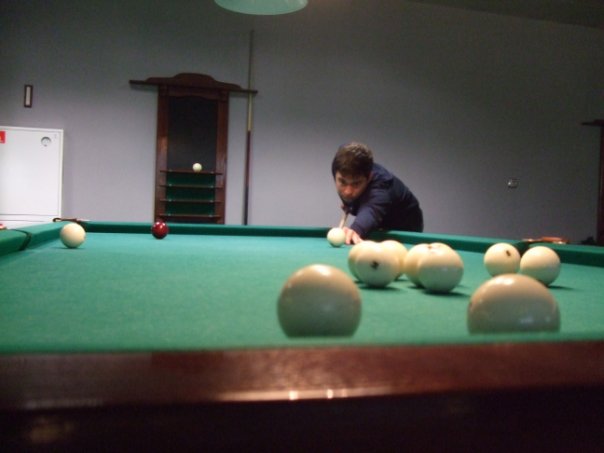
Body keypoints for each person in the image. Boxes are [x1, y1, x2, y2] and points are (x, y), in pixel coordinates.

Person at [332, 142, 423, 244]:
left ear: (369, 178)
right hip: (377, 223)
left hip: (404, 226)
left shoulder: (381, 186)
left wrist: (356, 229)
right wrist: (351, 204)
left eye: (356, 184)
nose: (348, 192)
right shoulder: (339, 165)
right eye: (342, 182)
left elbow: (371, 209)